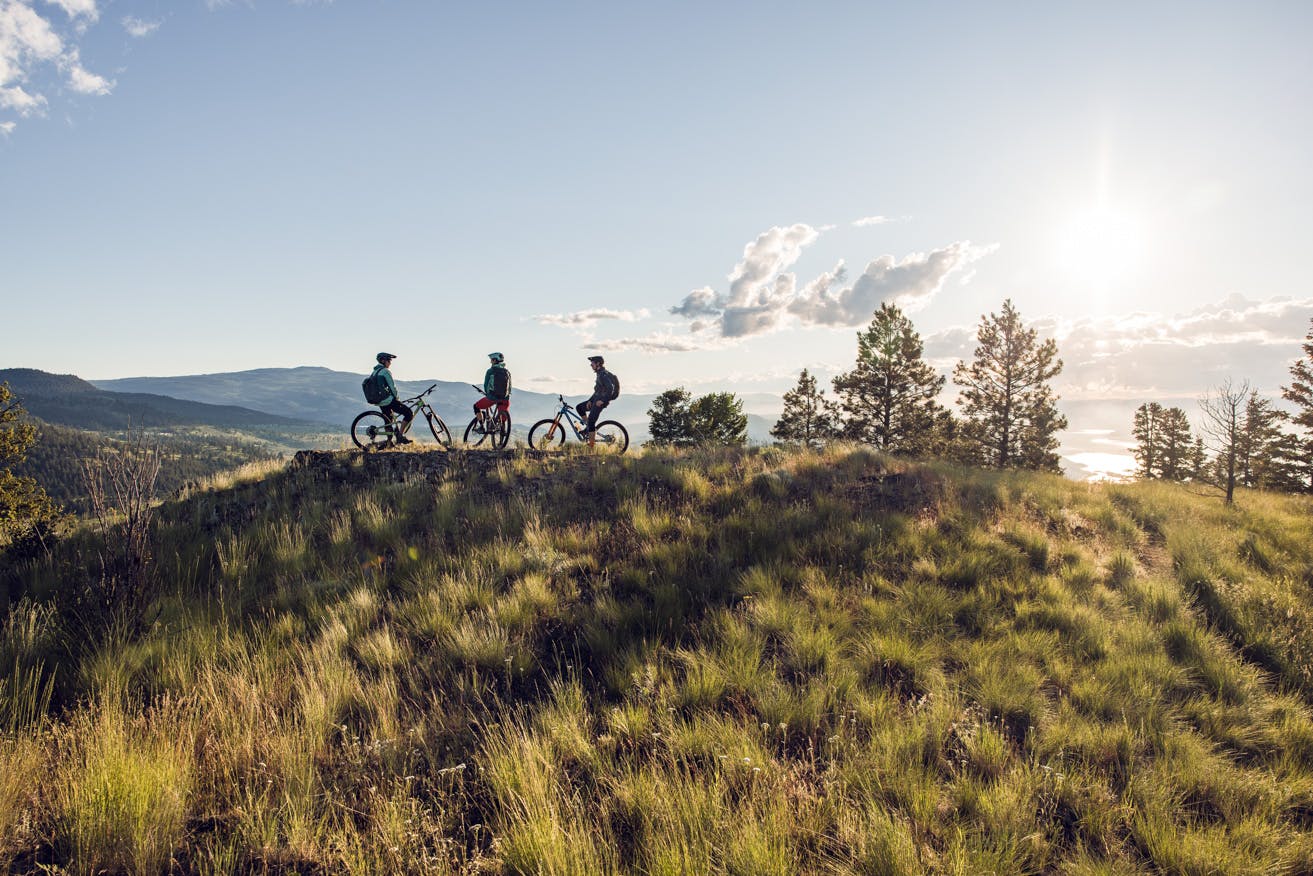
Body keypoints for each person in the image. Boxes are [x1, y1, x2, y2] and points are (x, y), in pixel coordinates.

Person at [372, 352, 412, 444]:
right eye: (389, 360)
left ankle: (389, 442)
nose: (390, 363)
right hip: (388, 400)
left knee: (388, 420)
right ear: (383, 361)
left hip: (380, 401)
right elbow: (392, 387)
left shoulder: (374, 372)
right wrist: (396, 398)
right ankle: (400, 435)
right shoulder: (385, 371)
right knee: (409, 413)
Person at [577, 355, 619, 436]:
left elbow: (611, 388)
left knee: (591, 421)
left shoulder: (603, 374)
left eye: (592, 363)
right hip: (596, 399)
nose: (591, 365)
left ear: (598, 364)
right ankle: (587, 430)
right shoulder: (599, 374)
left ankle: (591, 446)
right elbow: (597, 391)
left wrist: (603, 401)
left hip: (600, 402)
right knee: (579, 408)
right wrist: (590, 400)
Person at [474, 351, 511, 431]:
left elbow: (486, 385)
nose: (490, 361)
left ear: (495, 360)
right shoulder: (507, 372)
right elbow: (509, 387)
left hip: (493, 398)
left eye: (491, 360)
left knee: (476, 406)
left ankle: (481, 427)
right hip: (505, 399)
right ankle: (502, 435)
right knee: (502, 416)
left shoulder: (490, 371)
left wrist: (488, 394)